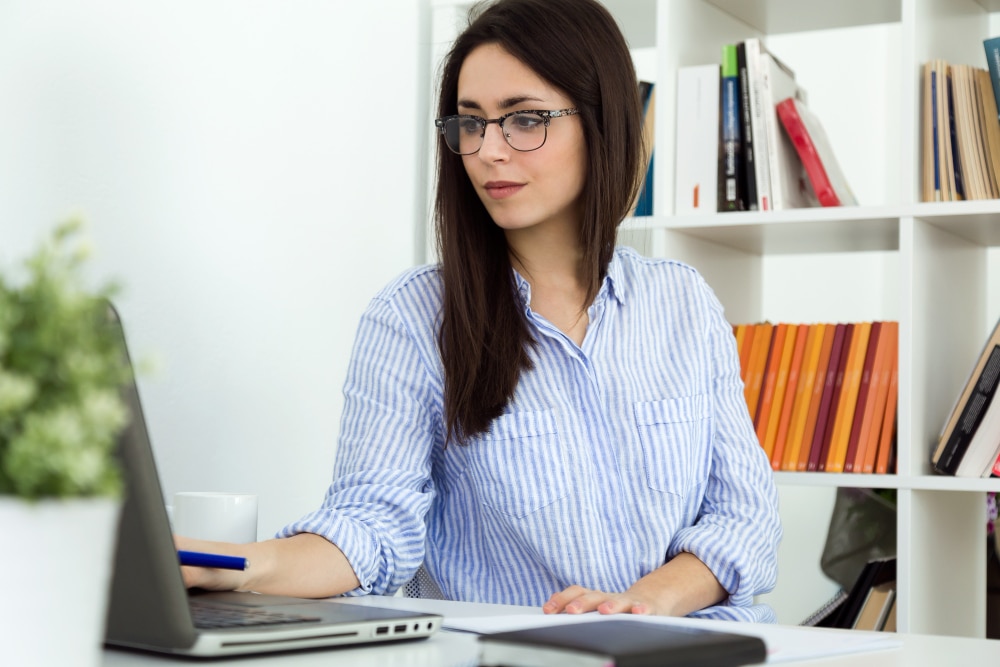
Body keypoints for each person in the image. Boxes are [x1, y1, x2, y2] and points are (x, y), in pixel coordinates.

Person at [179, 0, 782, 622]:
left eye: (524, 120)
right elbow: (370, 524)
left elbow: (745, 518)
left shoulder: (681, 302)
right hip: (523, 655)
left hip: (694, 644)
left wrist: (646, 603)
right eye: (471, 123)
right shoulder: (413, 317)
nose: (489, 150)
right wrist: (238, 564)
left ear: (603, 123)